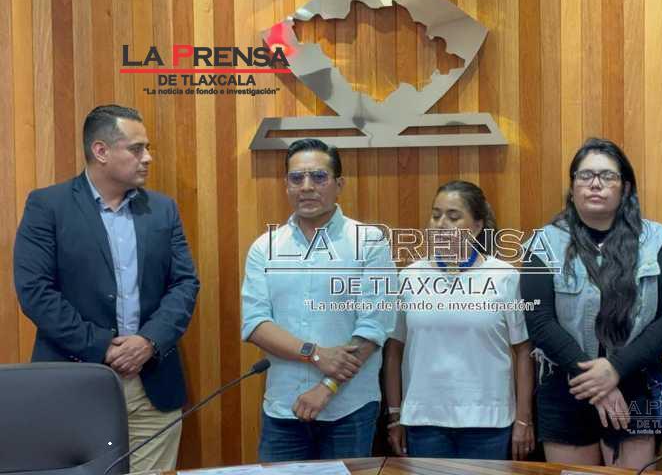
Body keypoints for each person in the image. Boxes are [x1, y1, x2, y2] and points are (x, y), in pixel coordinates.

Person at [13, 104, 200, 471]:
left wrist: (148, 342)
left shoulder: (163, 209)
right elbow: (35, 291)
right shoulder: (48, 206)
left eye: (147, 148)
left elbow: (184, 283)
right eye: (136, 148)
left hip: (152, 385)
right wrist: (102, 346)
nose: (148, 158)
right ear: (100, 151)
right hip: (75, 382)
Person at [520, 138, 662, 470]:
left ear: (625, 188)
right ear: (572, 189)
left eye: (607, 176)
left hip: (635, 384)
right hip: (566, 386)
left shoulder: (658, 242)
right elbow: (539, 320)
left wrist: (615, 369)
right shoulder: (543, 244)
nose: (595, 183)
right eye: (585, 175)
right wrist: (597, 381)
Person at [241, 138, 395, 461]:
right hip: (284, 408)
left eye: (319, 177)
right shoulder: (265, 248)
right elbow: (255, 324)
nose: (307, 187)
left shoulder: (370, 242)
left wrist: (327, 387)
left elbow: (374, 326)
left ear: (339, 184)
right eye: (297, 178)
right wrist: (314, 354)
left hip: (349, 409)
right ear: (286, 185)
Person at [382, 180, 535, 460]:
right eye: (436, 215)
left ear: (476, 226)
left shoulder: (504, 277)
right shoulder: (409, 277)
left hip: (489, 422)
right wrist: (394, 415)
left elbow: (523, 351)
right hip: (424, 421)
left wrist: (524, 420)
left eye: (453, 217)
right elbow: (394, 350)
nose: (441, 224)